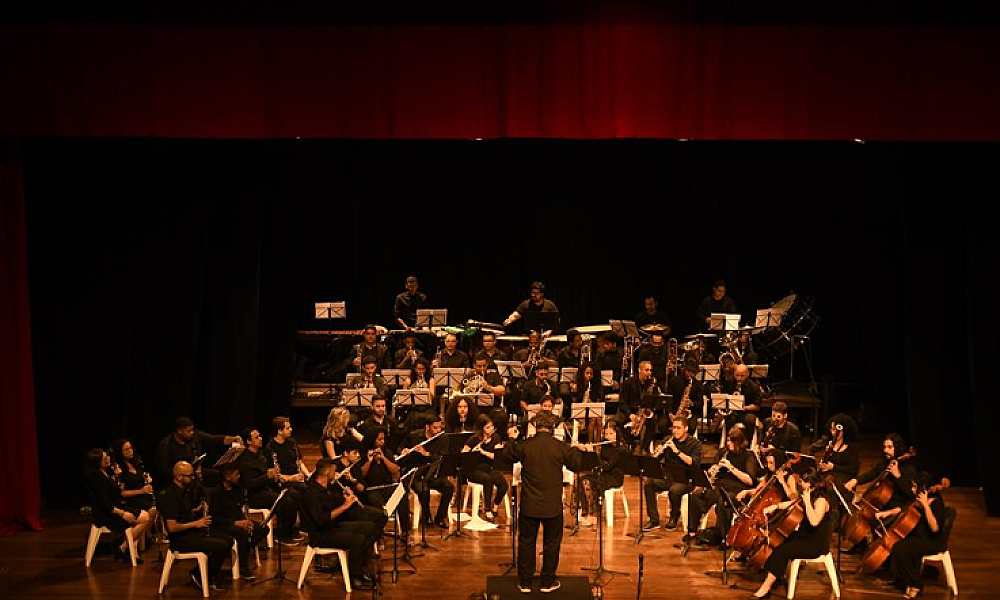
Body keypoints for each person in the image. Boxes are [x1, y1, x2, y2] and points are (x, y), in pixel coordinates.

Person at [503, 412, 582, 593]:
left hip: (529, 504)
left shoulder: (525, 445)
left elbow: (507, 457)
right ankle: (547, 582)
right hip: (552, 506)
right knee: (552, 544)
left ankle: (525, 582)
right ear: (553, 428)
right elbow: (576, 465)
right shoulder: (560, 447)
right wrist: (576, 448)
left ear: (535, 426)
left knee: (526, 542)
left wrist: (511, 439)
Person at [750, 468, 835, 599]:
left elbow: (814, 522)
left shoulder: (821, 501)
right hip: (805, 537)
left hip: (816, 544)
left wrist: (807, 502)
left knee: (782, 551)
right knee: (779, 542)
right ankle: (774, 576)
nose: (799, 483)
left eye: (802, 481)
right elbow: (792, 503)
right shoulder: (809, 494)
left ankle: (765, 588)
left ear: (811, 485)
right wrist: (776, 506)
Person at [301, 459, 380, 591]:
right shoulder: (310, 492)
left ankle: (358, 565)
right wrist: (344, 506)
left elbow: (333, 502)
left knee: (371, 527)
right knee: (358, 539)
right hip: (321, 535)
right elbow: (321, 519)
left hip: (332, 527)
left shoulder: (327, 487)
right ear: (326, 472)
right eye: (334, 471)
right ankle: (354, 577)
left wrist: (345, 497)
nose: (336, 473)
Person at [160, 461, 235, 591]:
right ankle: (199, 574)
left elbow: (184, 513)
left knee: (229, 540)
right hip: (181, 540)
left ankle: (209, 574)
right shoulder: (171, 495)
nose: (192, 478)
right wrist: (197, 523)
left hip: (192, 533)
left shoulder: (185, 490)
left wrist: (198, 510)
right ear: (179, 477)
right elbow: (172, 527)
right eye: (189, 475)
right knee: (221, 546)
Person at [883, 472, 949, 598]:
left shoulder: (936, 503)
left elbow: (934, 528)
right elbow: (903, 509)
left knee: (901, 549)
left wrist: (925, 506)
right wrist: (886, 513)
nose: (912, 489)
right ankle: (902, 581)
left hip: (931, 541)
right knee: (897, 546)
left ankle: (916, 584)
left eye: (915, 487)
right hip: (917, 537)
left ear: (923, 489)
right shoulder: (917, 499)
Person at [689, 427, 757, 546]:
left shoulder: (748, 455)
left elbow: (750, 481)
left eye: (731, 441)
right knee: (695, 496)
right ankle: (692, 532)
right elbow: (711, 470)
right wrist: (712, 471)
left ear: (739, 442)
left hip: (737, 489)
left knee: (723, 502)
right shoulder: (722, 452)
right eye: (727, 441)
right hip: (719, 486)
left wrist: (731, 468)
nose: (728, 444)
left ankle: (724, 537)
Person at [235, 427, 304, 544]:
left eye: (260, 436)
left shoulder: (261, 456)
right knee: (286, 501)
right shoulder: (245, 461)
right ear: (248, 441)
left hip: (266, 489)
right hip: (253, 496)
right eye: (256, 437)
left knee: (295, 494)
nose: (260, 439)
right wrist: (267, 477)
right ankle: (282, 535)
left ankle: (290, 529)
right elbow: (250, 484)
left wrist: (278, 477)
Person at [83, 448, 152, 563]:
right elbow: (105, 504)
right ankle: (123, 546)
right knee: (144, 518)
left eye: (108, 457)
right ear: (97, 462)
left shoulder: (105, 472)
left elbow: (116, 490)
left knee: (144, 515)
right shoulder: (97, 479)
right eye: (105, 458)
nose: (108, 459)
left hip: (115, 507)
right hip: (107, 514)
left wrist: (117, 477)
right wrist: (123, 514)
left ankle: (127, 548)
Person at [207, 463, 268, 581]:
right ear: (227, 477)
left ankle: (243, 551)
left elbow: (240, 508)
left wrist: (246, 521)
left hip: (238, 521)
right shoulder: (216, 493)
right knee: (242, 535)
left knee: (263, 529)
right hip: (223, 524)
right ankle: (243, 566)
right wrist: (235, 523)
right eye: (236, 474)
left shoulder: (238, 489)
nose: (239, 476)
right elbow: (215, 518)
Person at [643, 418, 703, 532]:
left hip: (686, 479)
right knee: (649, 483)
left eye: (678, 428)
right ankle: (654, 520)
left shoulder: (695, 444)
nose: (675, 431)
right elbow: (654, 460)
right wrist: (657, 453)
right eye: (673, 428)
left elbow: (693, 463)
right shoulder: (667, 440)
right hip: (669, 476)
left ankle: (674, 517)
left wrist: (677, 451)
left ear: (686, 429)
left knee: (674, 490)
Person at [397, 414, 453, 529]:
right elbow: (400, 448)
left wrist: (426, 454)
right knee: (424, 490)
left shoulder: (443, 438)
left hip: (434, 473)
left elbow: (442, 458)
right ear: (427, 427)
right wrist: (404, 451)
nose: (438, 430)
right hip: (417, 473)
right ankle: (426, 516)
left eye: (440, 427)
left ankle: (440, 517)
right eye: (435, 428)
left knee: (449, 487)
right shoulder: (414, 436)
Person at [155, 416, 242, 486]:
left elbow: (214, 439)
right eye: (188, 431)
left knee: (219, 476)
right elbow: (164, 470)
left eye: (192, 430)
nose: (192, 433)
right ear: (179, 431)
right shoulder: (166, 444)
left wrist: (233, 439)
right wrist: (184, 472)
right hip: (179, 477)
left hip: (195, 471)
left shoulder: (195, 436)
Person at [573, 422, 628, 527]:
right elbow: (598, 464)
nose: (608, 437)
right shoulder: (605, 445)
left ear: (617, 433)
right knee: (581, 479)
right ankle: (587, 512)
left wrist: (593, 453)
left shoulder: (621, 449)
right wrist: (585, 450)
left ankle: (592, 515)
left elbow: (607, 467)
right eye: (606, 434)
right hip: (603, 474)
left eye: (611, 434)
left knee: (587, 482)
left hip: (614, 477)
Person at [845, 433, 917, 512]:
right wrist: (856, 480)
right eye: (884, 447)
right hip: (880, 506)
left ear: (897, 448)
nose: (885, 450)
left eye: (889, 447)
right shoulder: (884, 463)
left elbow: (911, 494)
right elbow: (871, 474)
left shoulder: (907, 467)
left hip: (895, 509)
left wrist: (898, 476)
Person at [358, 426, 411, 532]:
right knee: (377, 503)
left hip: (387, 487)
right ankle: (378, 533)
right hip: (371, 489)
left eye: (383, 439)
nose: (382, 442)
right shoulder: (362, 453)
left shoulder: (386, 452)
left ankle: (406, 531)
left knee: (402, 497)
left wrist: (383, 458)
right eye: (380, 439)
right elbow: (361, 474)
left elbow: (396, 470)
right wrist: (369, 461)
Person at [461, 415, 509, 520]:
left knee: (503, 484)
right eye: (487, 427)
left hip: (489, 468)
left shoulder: (496, 437)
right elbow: (463, 456)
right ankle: (487, 509)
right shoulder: (474, 439)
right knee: (488, 480)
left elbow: (496, 457)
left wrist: (483, 452)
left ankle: (495, 507)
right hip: (474, 469)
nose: (491, 429)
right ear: (481, 428)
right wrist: (473, 451)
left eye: (491, 426)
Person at [110, 438, 158, 529]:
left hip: (142, 495)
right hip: (129, 499)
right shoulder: (118, 469)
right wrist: (141, 491)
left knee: (163, 501)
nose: (130, 451)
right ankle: (147, 537)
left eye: (131, 448)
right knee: (152, 509)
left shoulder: (136, 463)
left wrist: (147, 481)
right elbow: (121, 493)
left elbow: (143, 477)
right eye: (126, 449)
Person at [617, 360, 661, 449]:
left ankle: (644, 448)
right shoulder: (629, 383)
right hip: (631, 411)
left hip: (645, 411)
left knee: (652, 423)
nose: (649, 373)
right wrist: (630, 414)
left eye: (650, 370)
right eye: (647, 370)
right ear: (639, 370)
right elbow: (622, 402)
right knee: (620, 422)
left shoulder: (652, 384)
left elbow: (656, 400)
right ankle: (631, 445)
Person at [815, 413, 861, 495]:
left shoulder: (852, 447)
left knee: (830, 488)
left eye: (837, 430)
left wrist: (833, 467)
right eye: (832, 429)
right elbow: (826, 465)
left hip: (844, 479)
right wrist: (823, 465)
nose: (834, 433)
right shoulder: (830, 444)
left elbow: (854, 469)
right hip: (829, 477)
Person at [265, 416, 311, 486]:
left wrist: (308, 475)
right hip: (284, 482)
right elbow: (274, 474)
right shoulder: (270, 448)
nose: (291, 429)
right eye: (288, 428)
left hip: (297, 478)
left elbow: (299, 462)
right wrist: (291, 478)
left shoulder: (292, 442)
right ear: (279, 431)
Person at [719, 363, 764, 433]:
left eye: (742, 376)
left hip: (747, 412)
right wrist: (731, 399)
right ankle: (729, 441)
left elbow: (757, 406)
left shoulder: (754, 386)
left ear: (747, 374)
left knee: (750, 420)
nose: (739, 378)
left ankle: (747, 441)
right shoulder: (728, 383)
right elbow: (723, 399)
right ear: (734, 373)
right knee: (729, 420)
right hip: (733, 412)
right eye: (737, 375)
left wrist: (743, 407)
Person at [568, 361, 604, 442]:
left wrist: (592, 394)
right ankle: (590, 443)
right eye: (587, 373)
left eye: (591, 373)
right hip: (580, 411)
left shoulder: (596, 384)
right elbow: (574, 402)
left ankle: (597, 444)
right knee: (593, 420)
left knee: (597, 420)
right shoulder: (578, 383)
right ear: (583, 373)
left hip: (592, 410)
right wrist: (574, 391)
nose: (589, 375)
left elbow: (599, 400)